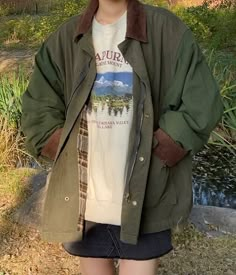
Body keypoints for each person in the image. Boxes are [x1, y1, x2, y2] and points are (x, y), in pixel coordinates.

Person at [21, 0, 224, 274]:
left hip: (147, 198)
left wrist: (165, 146)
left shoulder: (167, 30)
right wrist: (64, 149)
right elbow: (37, 111)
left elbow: (202, 102)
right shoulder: (66, 38)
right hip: (85, 203)